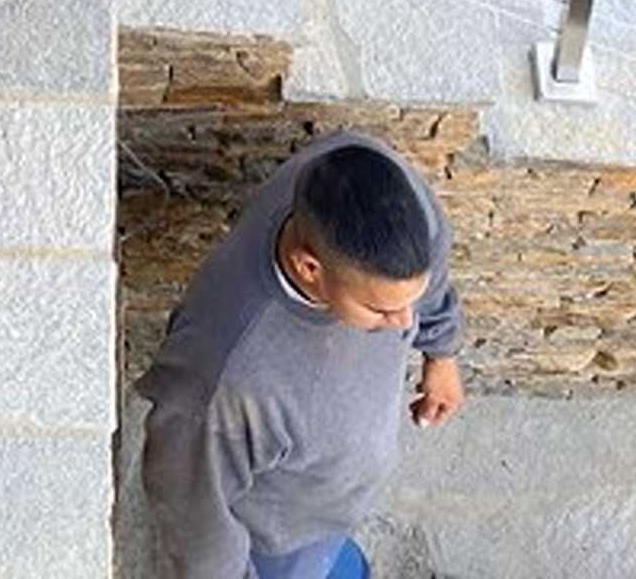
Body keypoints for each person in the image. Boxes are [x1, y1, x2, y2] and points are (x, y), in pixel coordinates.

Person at [138, 130, 466, 579]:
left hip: (330, 503)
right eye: (381, 309)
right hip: (281, 536)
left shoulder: (381, 185)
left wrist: (441, 351)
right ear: (307, 267)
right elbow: (194, 519)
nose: (406, 323)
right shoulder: (223, 380)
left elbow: (432, 271)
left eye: (412, 301)